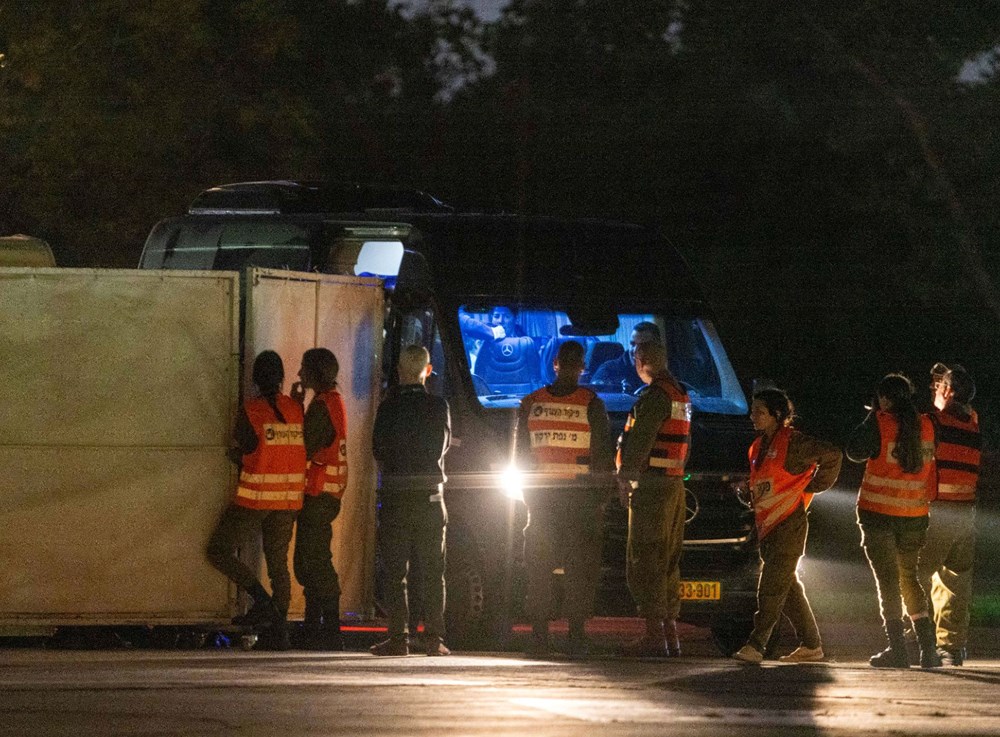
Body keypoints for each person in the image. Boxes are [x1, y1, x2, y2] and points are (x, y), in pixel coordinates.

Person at [515, 340, 614, 657]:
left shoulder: (531, 403)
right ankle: (575, 636)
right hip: (580, 503)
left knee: (539, 568)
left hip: (541, 501)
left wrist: (527, 497)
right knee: (578, 569)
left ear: (555, 363)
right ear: (582, 367)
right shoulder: (591, 404)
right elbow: (603, 458)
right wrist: (602, 499)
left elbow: (520, 457)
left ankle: (540, 636)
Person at [732, 389, 842, 664]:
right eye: (753, 410)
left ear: (777, 415)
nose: (752, 416)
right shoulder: (757, 447)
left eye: (759, 411)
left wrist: (814, 486)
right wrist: (748, 492)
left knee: (770, 587)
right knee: (788, 588)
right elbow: (768, 483)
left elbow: (832, 455)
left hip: (789, 524)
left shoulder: (794, 443)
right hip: (768, 528)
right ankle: (811, 645)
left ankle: (757, 645)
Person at [206, 350, 306, 650]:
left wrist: (236, 455)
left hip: (255, 499)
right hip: (288, 502)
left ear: (254, 379)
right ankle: (280, 631)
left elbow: (245, 448)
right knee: (279, 565)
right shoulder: (297, 409)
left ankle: (262, 601)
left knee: (219, 550)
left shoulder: (250, 410)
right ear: (281, 377)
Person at [847, 373, 940, 669]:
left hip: (879, 517)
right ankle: (928, 650)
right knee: (909, 578)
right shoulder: (926, 424)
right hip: (914, 517)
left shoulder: (880, 422)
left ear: (884, 399)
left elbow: (853, 451)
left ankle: (897, 649)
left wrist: (872, 416)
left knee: (887, 581)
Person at [370, 345, 452, 656]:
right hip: (430, 498)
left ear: (399, 372)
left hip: (395, 498)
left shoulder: (387, 409)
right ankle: (433, 639)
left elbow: (378, 449)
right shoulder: (438, 406)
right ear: (428, 371)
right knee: (433, 571)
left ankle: (397, 639)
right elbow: (441, 448)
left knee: (395, 572)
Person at [614, 340, 690, 657]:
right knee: (668, 561)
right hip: (673, 486)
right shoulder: (680, 395)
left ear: (641, 360)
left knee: (644, 559)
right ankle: (670, 636)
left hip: (652, 489)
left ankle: (652, 636)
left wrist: (624, 479)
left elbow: (640, 442)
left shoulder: (655, 396)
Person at [919, 363, 981, 666]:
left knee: (914, 575)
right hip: (966, 514)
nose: (934, 390)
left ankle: (914, 636)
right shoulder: (972, 422)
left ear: (949, 391)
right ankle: (952, 646)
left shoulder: (935, 422)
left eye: (938, 386)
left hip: (937, 512)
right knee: (956, 582)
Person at [290, 348, 347, 651]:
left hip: (318, 493)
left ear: (315, 374)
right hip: (325, 493)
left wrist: (296, 409)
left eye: (303, 369)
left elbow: (305, 446)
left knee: (315, 560)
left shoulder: (322, 406)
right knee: (311, 559)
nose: (299, 374)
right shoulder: (332, 402)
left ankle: (329, 628)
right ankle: (315, 626)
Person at [591, 322, 661, 394]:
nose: (635, 350)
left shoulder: (662, 372)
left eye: (643, 346)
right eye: (633, 344)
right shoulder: (608, 370)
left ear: (656, 348)